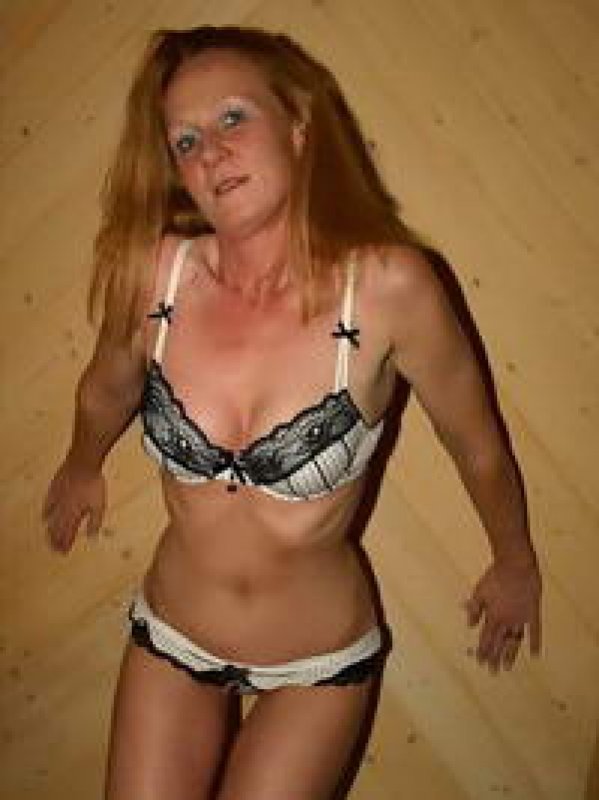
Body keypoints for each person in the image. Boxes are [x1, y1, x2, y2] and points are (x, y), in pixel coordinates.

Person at [41, 25, 542, 800]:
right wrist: (81, 464)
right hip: (173, 632)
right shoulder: (153, 274)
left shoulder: (389, 288)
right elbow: (105, 387)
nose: (211, 153)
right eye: (185, 140)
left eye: (233, 118)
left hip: (316, 665)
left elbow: (474, 444)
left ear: (299, 126)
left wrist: (513, 560)